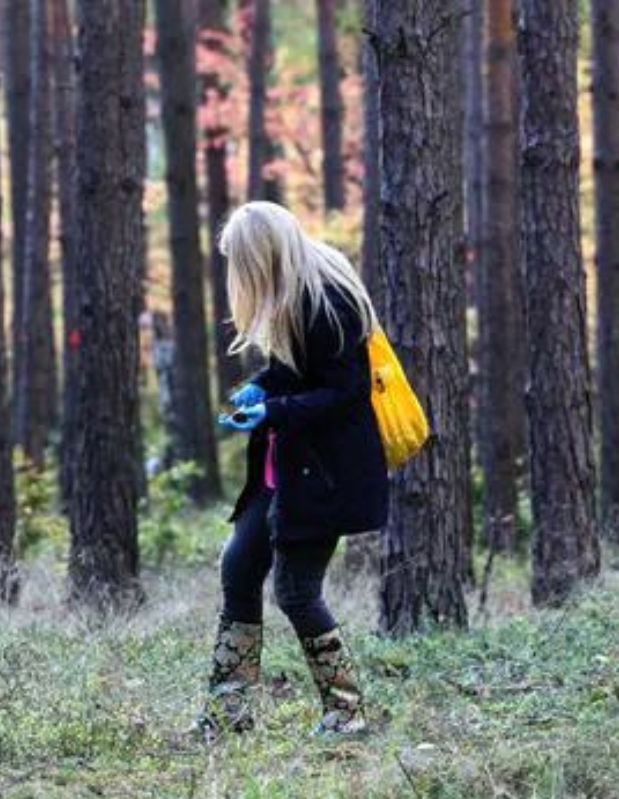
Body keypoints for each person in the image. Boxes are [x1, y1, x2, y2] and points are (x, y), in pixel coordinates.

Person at [196, 201, 389, 739]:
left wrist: (272, 409)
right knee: (238, 566)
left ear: (264, 254)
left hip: (325, 477)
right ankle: (228, 716)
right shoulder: (293, 291)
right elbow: (295, 369)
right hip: (285, 469)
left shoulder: (330, 298)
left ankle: (346, 715)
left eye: (241, 259)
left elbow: (344, 392)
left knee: (297, 592)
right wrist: (263, 385)